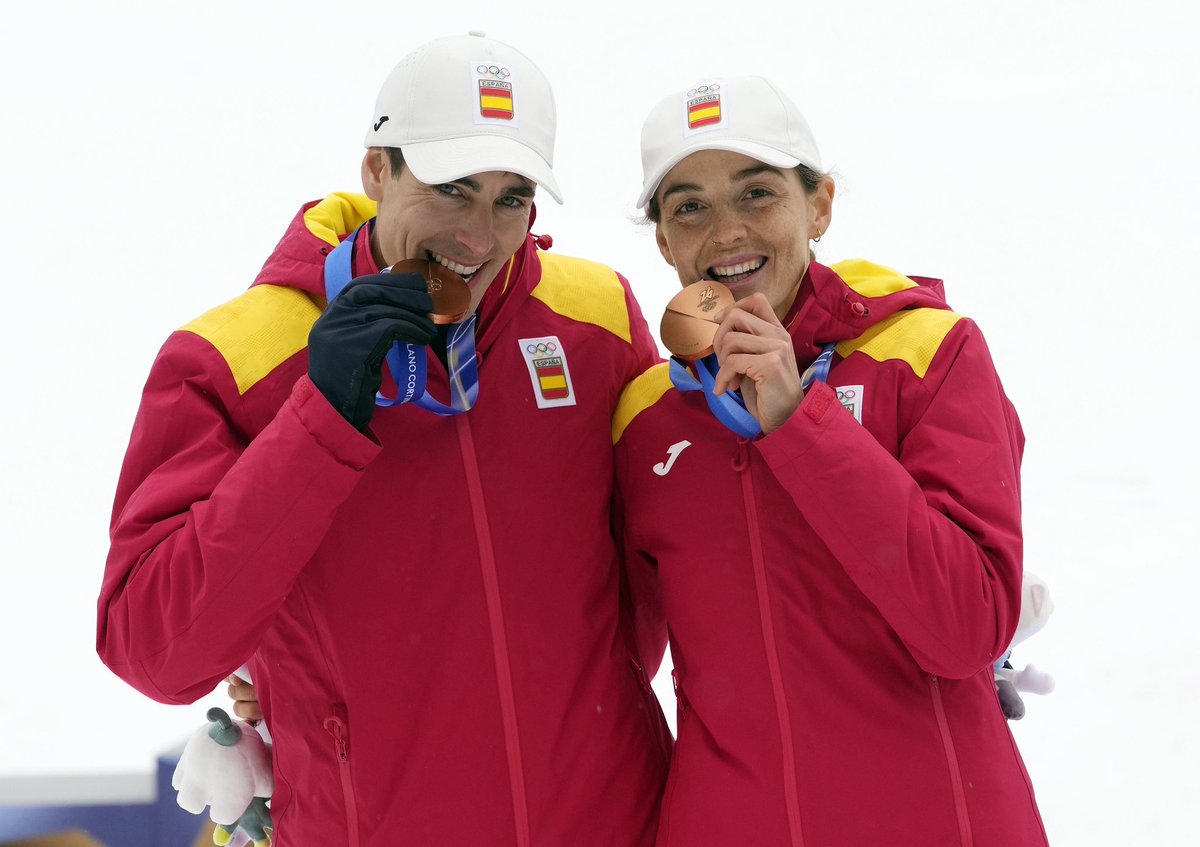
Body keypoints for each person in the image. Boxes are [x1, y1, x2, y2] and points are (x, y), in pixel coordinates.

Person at [97, 33, 671, 847]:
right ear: (377, 170)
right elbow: (155, 651)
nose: (479, 236)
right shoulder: (232, 358)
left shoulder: (597, 319)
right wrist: (319, 419)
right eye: (452, 188)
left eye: (512, 199)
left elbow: (661, 572)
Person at [611, 76, 1048, 845]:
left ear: (820, 205)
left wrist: (798, 420)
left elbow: (965, 626)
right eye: (689, 207)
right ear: (662, 241)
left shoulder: (928, 353)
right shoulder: (645, 417)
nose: (726, 233)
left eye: (757, 193)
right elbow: (611, 660)